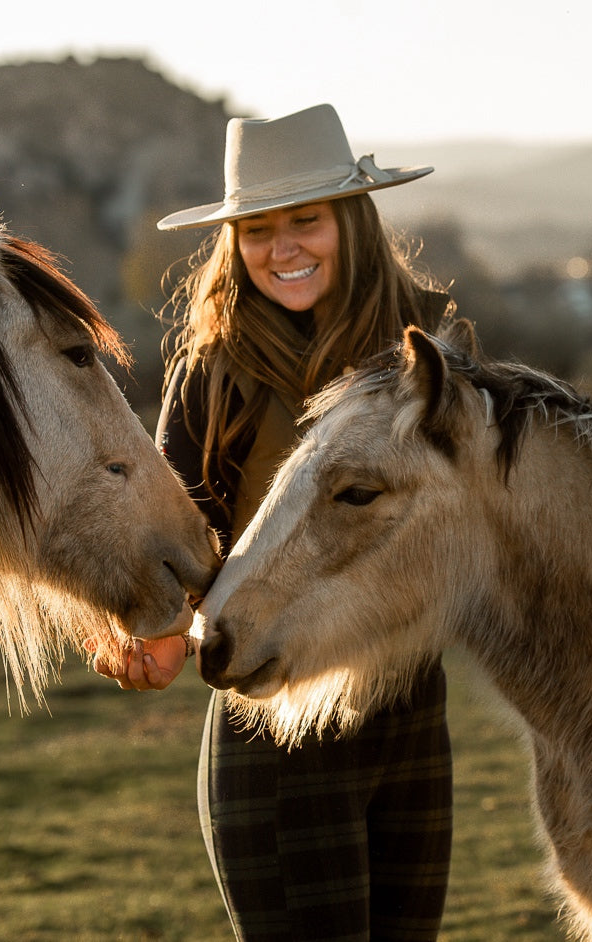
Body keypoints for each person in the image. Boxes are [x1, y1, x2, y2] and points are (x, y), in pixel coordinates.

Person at [92, 103, 455, 942]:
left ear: (351, 223)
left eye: (305, 221)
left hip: (411, 717)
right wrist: (152, 628)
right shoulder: (210, 371)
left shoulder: (431, 354)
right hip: (276, 727)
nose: (281, 247)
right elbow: (172, 542)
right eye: (257, 229)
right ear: (235, 242)